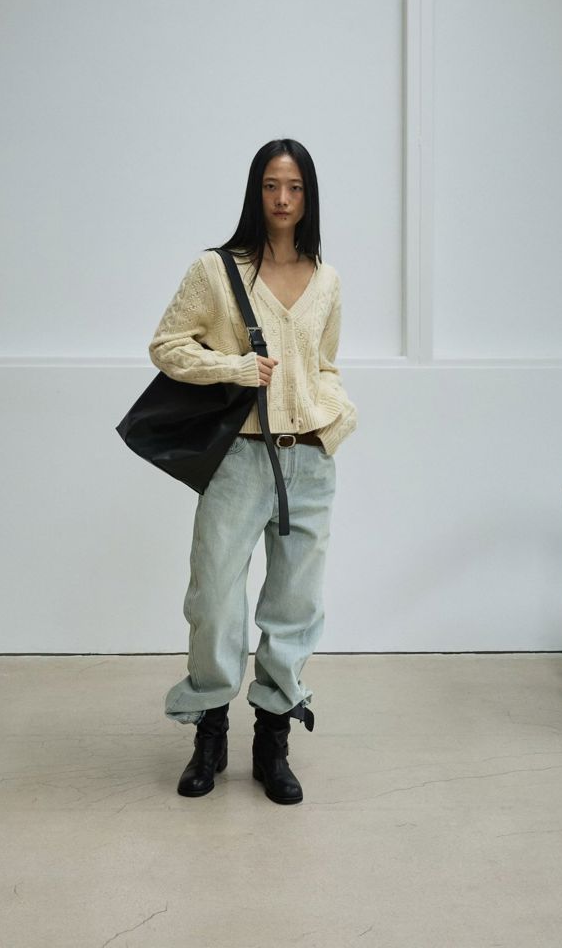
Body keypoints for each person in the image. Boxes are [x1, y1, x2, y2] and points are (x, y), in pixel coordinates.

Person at [148, 138, 357, 805]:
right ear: (255, 191)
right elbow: (166, 346)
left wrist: (336, 416)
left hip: (309, 461)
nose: (282, 199)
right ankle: (209, 730)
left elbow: (325, 363)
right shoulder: (218, 270)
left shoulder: (326, 278)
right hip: (239, 458)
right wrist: (233, 369)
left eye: (294, 187)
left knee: (295, 605)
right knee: (214, 599)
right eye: (271, 185)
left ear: (309, 195)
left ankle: (273, 739)